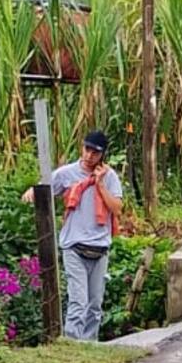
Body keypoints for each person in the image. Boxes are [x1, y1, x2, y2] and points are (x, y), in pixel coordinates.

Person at [23, 130, 123, 341]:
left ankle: (89, 345)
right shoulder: (66, 173)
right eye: (87, 149)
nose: (89, 156)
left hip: (100, 247)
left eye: (95, 153)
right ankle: (72, 343)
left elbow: (117, 208)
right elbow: (45, 188)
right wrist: (33, 192)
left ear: (102, 154)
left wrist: (100, 184)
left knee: (95, 304)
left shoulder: (109, 176)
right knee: (78, 301)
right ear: (82, 147)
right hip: (74, 245)